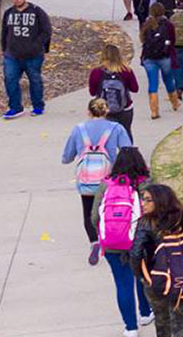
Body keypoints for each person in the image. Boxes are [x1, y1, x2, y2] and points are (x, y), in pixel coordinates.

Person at [63, 97, 134, 265]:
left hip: (87, 179)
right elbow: (128, 151)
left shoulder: (78, 130)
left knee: (88, 213)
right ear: (106, 111)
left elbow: (66, 157)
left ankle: (94, 242)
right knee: (108, 210)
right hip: (108, 178)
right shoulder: (116, 128)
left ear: (88, 112)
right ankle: (111, 239)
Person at [93, 147, 153, 337]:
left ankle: (130, 327)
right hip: (139, 241)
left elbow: (95, 216)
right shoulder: (145, 184)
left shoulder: (106, 184)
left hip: (112, 243)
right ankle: (145, 313)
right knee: (142, 277)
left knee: (123, 284)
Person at [131, 183, 183, 337]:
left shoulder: (146, 223)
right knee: (180, 323)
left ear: (160, 200)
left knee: (162, 322)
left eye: (148, 200)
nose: (143, 204)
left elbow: (136, 253)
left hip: (156, 279)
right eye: (143, 199)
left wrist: (142, 277)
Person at [0, 0, 53, 119]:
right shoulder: (8, 13)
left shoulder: (37, 12)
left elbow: (46, 31)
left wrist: (36, 45)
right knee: (10, 79)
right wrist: (4, 49)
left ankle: (38, 106)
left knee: (35, 80)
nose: (16, 0)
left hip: (33, 55)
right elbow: (5, 33)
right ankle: (15, 107)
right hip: (12, 55)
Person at [89, 44, 141, 137]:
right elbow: (135, 89)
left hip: (103, 109)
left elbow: (92, 92)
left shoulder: (96, 72)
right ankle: (127, 150)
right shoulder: (126, 70)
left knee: (105, 137)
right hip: (125, 108)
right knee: (125, 133)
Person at [140, 3, 178, 118]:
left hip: (149, 58)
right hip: (164, 56)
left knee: (153, 84)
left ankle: (154, 111)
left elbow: (142, 39)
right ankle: (175, 103)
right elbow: (173, 40)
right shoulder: (168, 25)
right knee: (168, 80)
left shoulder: (146, 24)